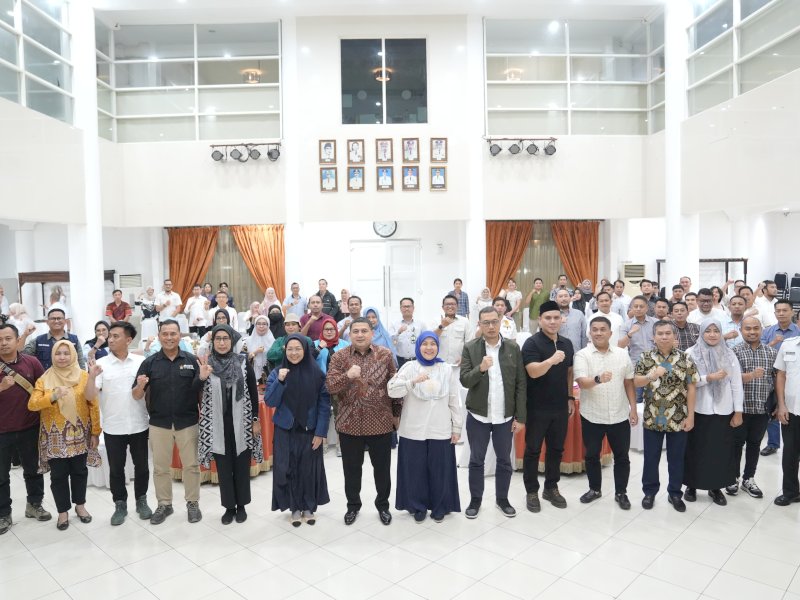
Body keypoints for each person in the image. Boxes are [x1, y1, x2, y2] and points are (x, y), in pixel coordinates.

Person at [133, 319, 207, 525]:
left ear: (179, 335)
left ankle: (192, 503)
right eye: (164, 334)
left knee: (191, 466)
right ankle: (164, 504)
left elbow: (199, 390)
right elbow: (136, 395)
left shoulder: (191, 360)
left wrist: (202, 377)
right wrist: (140, 386)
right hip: (159, 423)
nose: (169, 337)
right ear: (159, 336)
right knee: (160, 468)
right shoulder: (149, 363)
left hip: (188, 422)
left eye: (173, 333)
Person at [326, 318, 398, 526]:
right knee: (351, 470)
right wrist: (347, 376)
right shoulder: (340, 357)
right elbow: (330, 387)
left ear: (372, 333)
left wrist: (397, 414)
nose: (359, 334)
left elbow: (395, 387)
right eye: (355, 331)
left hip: (380, 423)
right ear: (349, 334)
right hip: (349, 424)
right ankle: (353, 506)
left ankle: (383, 506)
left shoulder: (385, 355)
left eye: (364, 331)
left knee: (382, 469)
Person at [460, 306, 526, 519]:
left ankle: (502, 499)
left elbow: (520, 384)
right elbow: (464, 380)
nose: (490, 326)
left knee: (504, 460)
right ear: (479, 324)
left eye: (494, 322)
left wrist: (521, 417)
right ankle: (475, 500)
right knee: (476, 460)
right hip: (479, 415)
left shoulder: (513, 348)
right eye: (485, 322)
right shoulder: (470, 348)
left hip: (505, 417)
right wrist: (480, 369)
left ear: (500, 323)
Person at [389, 332, 462, 522]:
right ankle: (417, 506)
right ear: (418, 346)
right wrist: (412, 381)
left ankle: (440, 506)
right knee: (415, 470)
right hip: (413, 428)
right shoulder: (410, 367)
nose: (429, 348)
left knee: (440, 470)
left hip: (440, 428)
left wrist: (457, 428)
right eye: (425, 344)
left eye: (433, 344)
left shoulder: (446, 369)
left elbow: (454, 399)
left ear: (438, 346)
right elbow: (392, 390)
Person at [85, 322, 152, 525]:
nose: (110, 340)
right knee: (116, 469)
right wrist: (91, 377)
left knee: (142, 467)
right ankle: (120, 504)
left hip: (140, 424)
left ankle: (142, 500)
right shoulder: (101, 364)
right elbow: (89, 395)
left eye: (115, 336)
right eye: (110, 336)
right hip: (114, 427)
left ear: (129, 340)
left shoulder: (141, 362)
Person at [28, 341, 100, 530]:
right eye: (58, 353)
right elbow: (32, 404)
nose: (62, 357)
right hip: (55, 437)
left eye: (66, 353)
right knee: (58, 476)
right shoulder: (44, 379)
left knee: (80, 472)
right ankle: (62, 512)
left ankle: (81, 506)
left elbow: (93, 403)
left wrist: (95, 431)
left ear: (73, 355)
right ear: (52, 355)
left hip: (79, 434)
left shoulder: (84, 376)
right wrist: (52, 396)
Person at [198, 324, 262, 525]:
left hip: (241, 423)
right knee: (224, 468)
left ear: (232, 340)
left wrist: (254, 420)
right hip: (216, 424)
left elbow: (253, 392)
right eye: (218, 339)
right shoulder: (207, 365)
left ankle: (241, 505)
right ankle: (228, 507)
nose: (222, 342)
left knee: (241, 466)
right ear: (213, 342)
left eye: (226, 338)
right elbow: (194, 390)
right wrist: (202, 377)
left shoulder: (243, 362)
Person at [574, 316, 637, 509]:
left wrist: (633, 408)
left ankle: (621, 493)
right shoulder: (582, 355)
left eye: (603, 329)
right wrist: (598, 379)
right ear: (590, 333)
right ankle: (595, 489)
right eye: (595, 329)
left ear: (610, 333)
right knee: (592, 455)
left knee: (622, 457)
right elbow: (582, 383)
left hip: (619, 415)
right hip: (592, 415)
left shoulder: (621, 354)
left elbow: (628, 382)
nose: (599, 333)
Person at [634, 321, 698, 512]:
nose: (664, 336)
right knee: (651, 458)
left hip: (679, 417)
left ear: (674, 336)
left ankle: (675, 493)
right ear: (653, 337)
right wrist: (651, 376)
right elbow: (636, 382)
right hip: (652, 417)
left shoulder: (685, 358)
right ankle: (649, 492)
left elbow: (692, 387)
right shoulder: (645, 357)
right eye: (660, 333)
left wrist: (691, 416)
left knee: (676, 458)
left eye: (668, 333)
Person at [267, 335, 330, 526]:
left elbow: (324, 405)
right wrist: (280, 381)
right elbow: (271, 401)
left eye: (298, 349)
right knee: (287, 469)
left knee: (309, 469)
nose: (294, 353)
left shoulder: (317, 373)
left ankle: (309, 506)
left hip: (309, 430)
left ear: (305, 350)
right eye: (290, 349)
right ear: (285, 351)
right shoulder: (277, 372)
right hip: (285, 429)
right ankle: (294, 507)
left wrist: (320, 432)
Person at [683, 319, 743, 506]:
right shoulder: (691, 353)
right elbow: (686, 382)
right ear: (701, 333)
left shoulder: (729, 354)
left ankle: (715, 487)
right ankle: (691, 486)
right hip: (698, 409)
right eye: (707, 331)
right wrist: (707, 378)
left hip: (723, 411)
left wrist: (738, 411)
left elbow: (736, 384)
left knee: (719, 451)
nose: (712, 334)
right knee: (695, 450)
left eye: (716, 331)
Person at [522, 300, 575, 512]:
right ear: (540, 320)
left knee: (556, 449)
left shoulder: (567, 343)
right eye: (548, 318)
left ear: (561, 319)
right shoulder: (532, 343)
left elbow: (570, 372)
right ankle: (532, 491)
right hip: (536, 407)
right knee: (533, 450)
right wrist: (551, 360)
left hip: (560, 406)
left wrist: (570, 397)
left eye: (556, 318)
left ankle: (551, 487)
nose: (552, 322)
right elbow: (533, 371)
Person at [0, 323, 50, 534]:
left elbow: (43, 391)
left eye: (8, 338)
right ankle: (3, 513)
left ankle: (34, 504)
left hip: (30, 426)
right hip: (1, 431)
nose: (3, 343)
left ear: (17, 339)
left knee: (33, 469)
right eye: (0, 340)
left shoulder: (32, 362)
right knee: (1, 475)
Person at [730, 317, 776, 498]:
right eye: (747, 328)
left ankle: (749, 478)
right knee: (736, 444)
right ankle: (732, 478)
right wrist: (750, 376)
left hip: (761, 409)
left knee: (755, 444)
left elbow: (776, 380)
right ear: (741, 330)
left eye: (756, 328)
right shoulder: (734, 352)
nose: (752, 331)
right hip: (740, 409)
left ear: (762, 330)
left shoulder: (772, 353)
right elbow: (729, 380)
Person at [760, 299, 800, 457]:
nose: (781, 313)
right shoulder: (768, 331)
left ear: (792, 312)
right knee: (774, 411)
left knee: (791, 412)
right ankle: (773, 443)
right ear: (775, 313)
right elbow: (761, 351)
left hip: (791, 379)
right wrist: (774, 342)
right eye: (778, 311)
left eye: (785, 310)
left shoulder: (797, 332)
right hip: (770, 376)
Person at [773, 330, 800, 506]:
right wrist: (781, 405)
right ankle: (791, 492)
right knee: (790, 453)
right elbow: (780, 375)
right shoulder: (789, 344)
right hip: (792, 409)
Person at [619, 296, 657, 402]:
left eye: (641, 306)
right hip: (636, 366)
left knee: (655, 398)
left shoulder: (656, 323)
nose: (638, 309)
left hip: (656, 365)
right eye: (635, 306)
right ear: (631, 308)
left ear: (647, 308)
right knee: (637, 398)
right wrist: (630, 334)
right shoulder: (626, 325)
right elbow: (620, 345)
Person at [435, 294, 473, 367]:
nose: (450, 306)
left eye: (453, 304)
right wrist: (442, 326)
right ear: (443, 307)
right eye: (447, 304)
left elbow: (470, 342)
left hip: (459, 364)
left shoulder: (465, 321)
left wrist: (464, 358)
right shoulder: (436, 321)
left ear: (457, 306)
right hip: (439, 364)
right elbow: (430, 339)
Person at [391, 297, 427, 368]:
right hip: (400, 361)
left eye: (409, 306)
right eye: (404, 306)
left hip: (416, 360)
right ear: (400, 308)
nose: (406, 309)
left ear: (413, 308)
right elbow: (391, 342)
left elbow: (426, 341)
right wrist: (398, 332)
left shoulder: (421, 324)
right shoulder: (394, 324)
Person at [246, 315, 276, 383]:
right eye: (258, 324)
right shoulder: (247, 341)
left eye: (264, 324)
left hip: (269, 376)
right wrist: (256, 352)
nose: (261, 326)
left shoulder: (274, 342)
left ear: (268, 326)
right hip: (252, 375)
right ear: (255, 325)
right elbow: (243, 358)